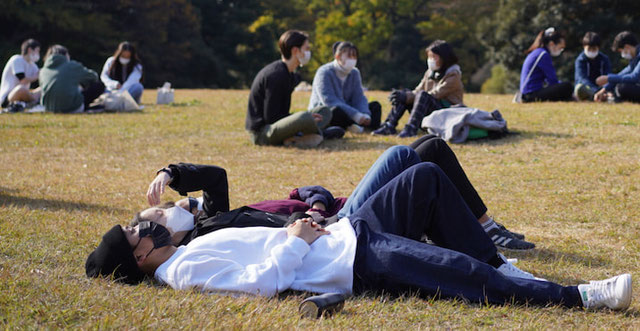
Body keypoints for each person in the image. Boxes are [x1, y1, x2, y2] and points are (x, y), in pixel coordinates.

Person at [86, 164, 633, 312]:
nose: (140, 223)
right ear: (140, 256)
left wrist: (309, 224)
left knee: (422, 176)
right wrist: (296, 240)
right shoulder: (182, 271)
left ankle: (504, 266)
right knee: (457, 274)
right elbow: (257, 286)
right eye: (134, 231)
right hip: (350, 259)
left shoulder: (184, 247)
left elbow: (215, 184)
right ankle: (578, 296)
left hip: (345, 232)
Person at [134, 134, 534, 251]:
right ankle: (482, 232)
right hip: (339, 228)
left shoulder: (210, 220)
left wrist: (171, 172)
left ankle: (485, 226)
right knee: (404, 155)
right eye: (161, 216)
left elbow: (216, 177)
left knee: (429, 148)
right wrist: (310, 216)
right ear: (161, 238)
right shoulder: (201, 242)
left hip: (332, 214)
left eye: (163, 208)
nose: (169, 208)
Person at [246, 30, 339, 148]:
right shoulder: (276, 75)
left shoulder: (288, 73)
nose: (308, 52)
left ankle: (305, 135)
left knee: (324, 111)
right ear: (295, 50)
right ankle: (311, 135)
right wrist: (303, 120)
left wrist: (304, 119)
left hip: (276, 125)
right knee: (304, 117)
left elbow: (282, 114)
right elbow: (271, 117)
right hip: (264, 133)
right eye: (306, 48)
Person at [374, 40, 464, 138]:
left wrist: (407, 96)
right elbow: (417, 90)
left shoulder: (453, 75)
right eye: (429, 57)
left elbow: (435, 94)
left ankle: (411, 128)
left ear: (444, 57)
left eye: (434, 57)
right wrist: (403, 95)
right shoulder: (430, 73)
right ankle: (389, 125)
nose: (430, 60)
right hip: (430, 110)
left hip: (447, 113)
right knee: (405, 93)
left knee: (420, 95)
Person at [309, 41, 381, 136]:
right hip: (326, 111)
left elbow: (358, 97)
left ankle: (361, 124)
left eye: (354, 56)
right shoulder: (324, 72)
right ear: (338, 56)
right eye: (349, 56)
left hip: (349, 110)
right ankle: (352, 125)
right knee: (335, 111)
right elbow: (329, 100)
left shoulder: (355, 73)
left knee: (375, 106)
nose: (352, 59)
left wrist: (365, 114)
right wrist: (356, 115)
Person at [39, 45, 107, 113]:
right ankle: (84, 107)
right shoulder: (72, 66)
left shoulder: (43, 71)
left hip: (48, 108)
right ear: (65, 55)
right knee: (99, 85)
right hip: (72, 108)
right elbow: (94, 76)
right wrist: (83, 84)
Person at [514, 27, 572, 102]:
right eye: (560, 47)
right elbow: (552, 80)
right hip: (531, 94)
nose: (561, 50)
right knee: (567, 86)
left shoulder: (538, 52)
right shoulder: (543, 55)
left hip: (528, 93)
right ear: (551, 44)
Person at [1, 38, 42, 108]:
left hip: (24, 95)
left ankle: (33, 101)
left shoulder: (33, 65)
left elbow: (41, 75)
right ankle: (35, 101)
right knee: (21, 89)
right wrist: (37, 75)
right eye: (37, 51)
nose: (38, 54)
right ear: (30, 50)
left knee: (43, 89)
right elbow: (23, 80)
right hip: (8, 97)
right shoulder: (17, 59)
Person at [573, 31, 611, 102]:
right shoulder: (580, 60)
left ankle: (601, 96)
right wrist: (596, 90)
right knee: (579, 88)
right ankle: (600, 97)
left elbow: (607, 76)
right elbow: (582, 79)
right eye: (589, 49)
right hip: (587, 88)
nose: (591, 51)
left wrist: (604, 89)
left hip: (602, 88)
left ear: (598, 48)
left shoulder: (604, 59)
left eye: (594, 49)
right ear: (584, 47)